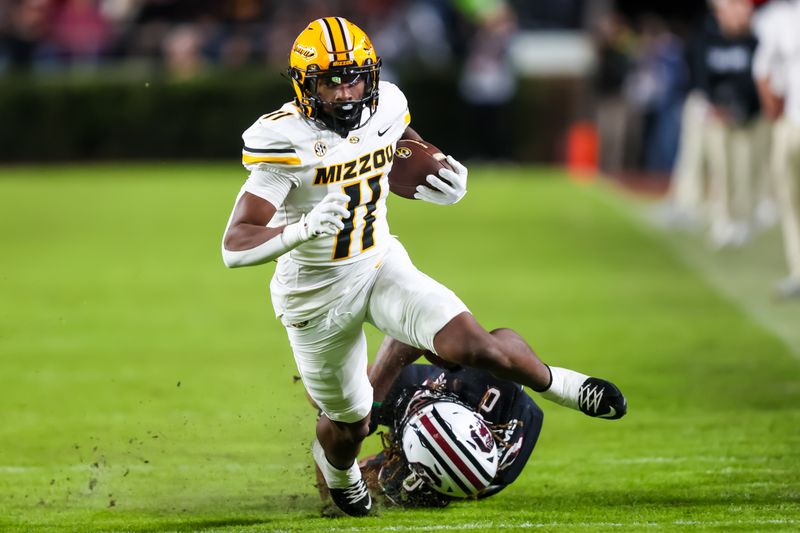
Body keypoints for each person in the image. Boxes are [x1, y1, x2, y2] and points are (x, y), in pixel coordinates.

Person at [221, 17, 627, 517]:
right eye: (331, 80)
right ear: (306, 86)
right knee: (350, 424)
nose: (346, 92)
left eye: (355, 78)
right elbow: (235, 244)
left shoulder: (386, 104)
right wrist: (301, 230)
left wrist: (436, 166)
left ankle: (563, 384)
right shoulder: (285, 140)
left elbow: (397, 143)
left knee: (474, 346)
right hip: (316, 295)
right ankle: (341, 473)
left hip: (379, 262)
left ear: (371, 77)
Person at [753, 0, 800, 298]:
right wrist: (773, 105)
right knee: (792, 201)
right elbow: (763, 67)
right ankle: (799, 271)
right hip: (792, 121)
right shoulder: (781, 16)